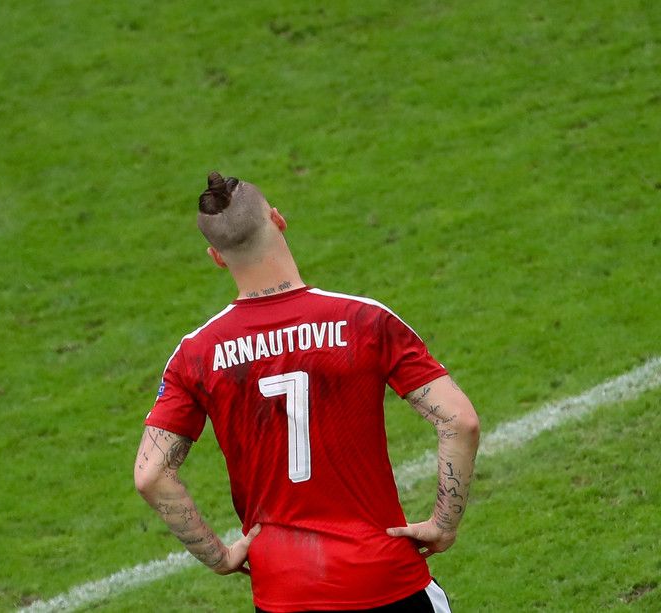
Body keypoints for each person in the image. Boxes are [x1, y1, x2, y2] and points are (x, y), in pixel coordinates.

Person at [133, 172, 480, 612]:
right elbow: (459, 421)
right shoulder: (364, 320)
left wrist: (218, 557)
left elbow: (150, 474)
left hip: (284, 592)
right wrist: (444, 524)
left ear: (216, 257)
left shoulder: (196, 355)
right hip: (384, 579)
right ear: (278, 220)